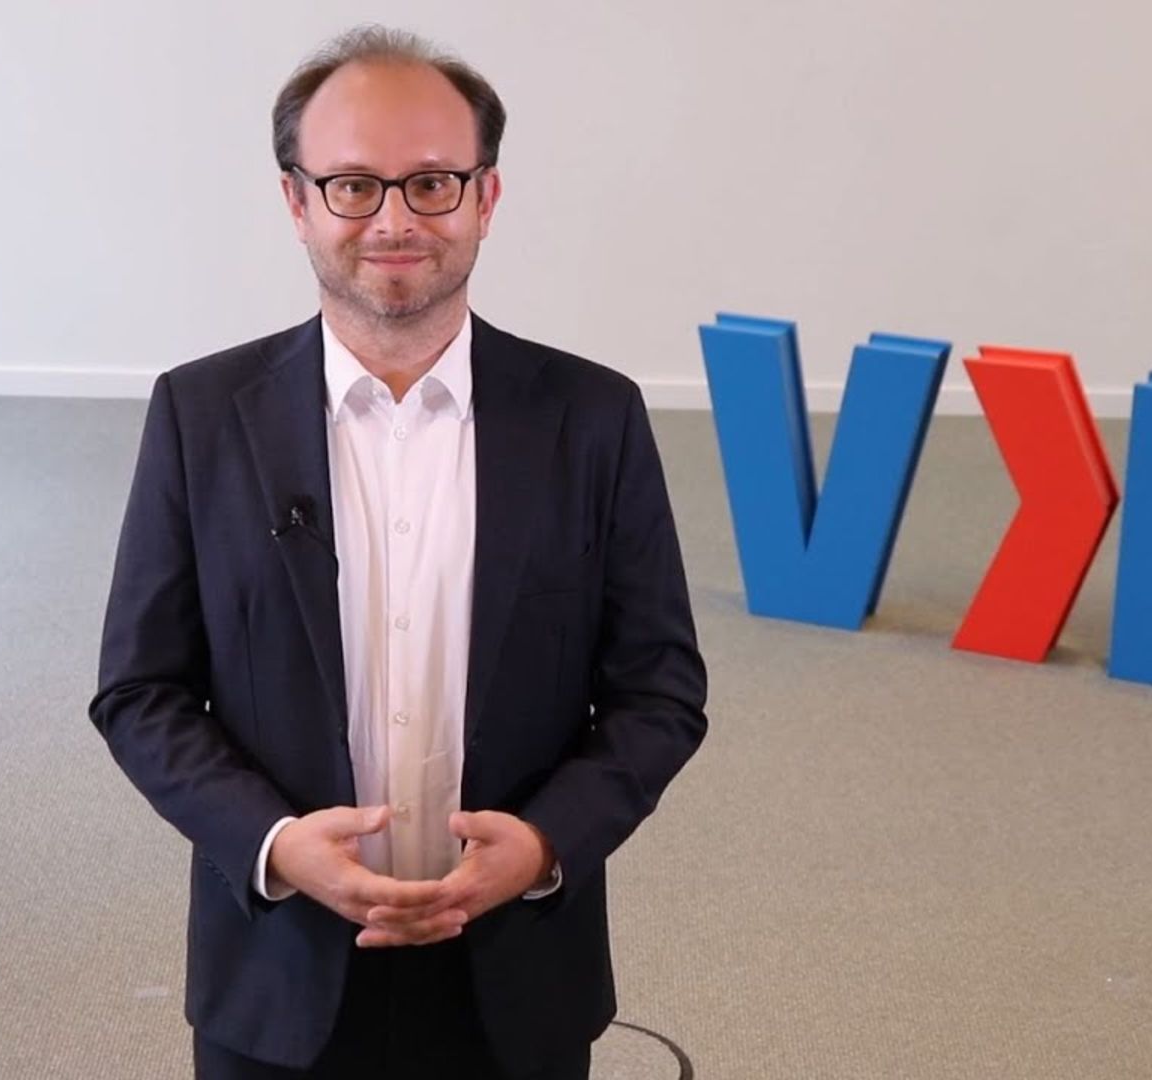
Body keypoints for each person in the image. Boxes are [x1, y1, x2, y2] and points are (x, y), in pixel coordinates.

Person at [89, 25, 708, 1080]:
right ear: (296, 202)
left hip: (518, 972)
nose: (393, 220)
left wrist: (544, 846)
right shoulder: (200, 416)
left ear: (486, 197)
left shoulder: (595, 417)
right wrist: (276, 846)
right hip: (276, 971)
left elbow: (660, 693)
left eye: (431, 183)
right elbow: (140, 692)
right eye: (352, 186)